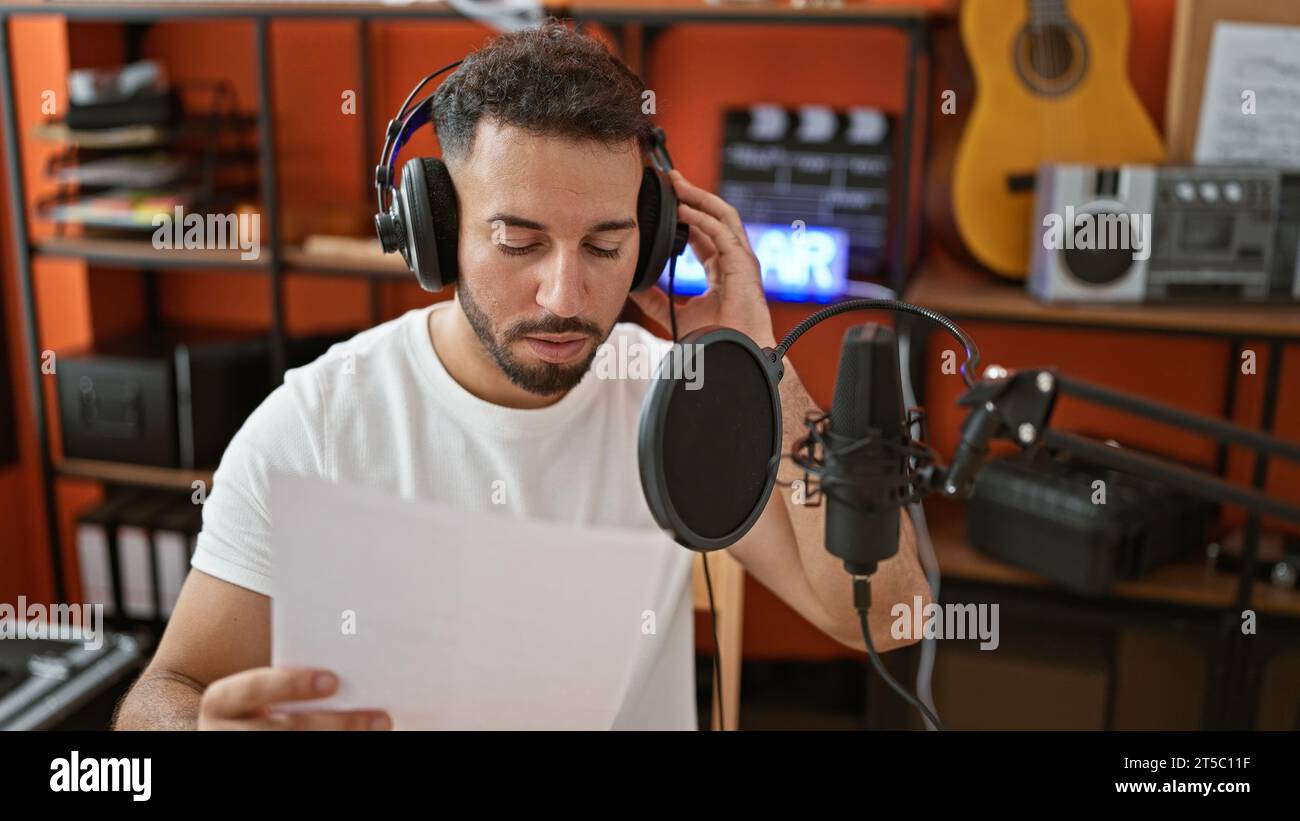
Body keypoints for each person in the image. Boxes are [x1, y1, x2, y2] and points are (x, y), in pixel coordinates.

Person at [112, 19, 928, 731]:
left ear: (650, 241)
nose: (566, 297)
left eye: (607, 247)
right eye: (518, 242)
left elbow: (893, 612)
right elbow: (164, 690)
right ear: (434, 231)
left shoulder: (678, 400)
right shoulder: (318, 423)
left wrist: (758, 363)